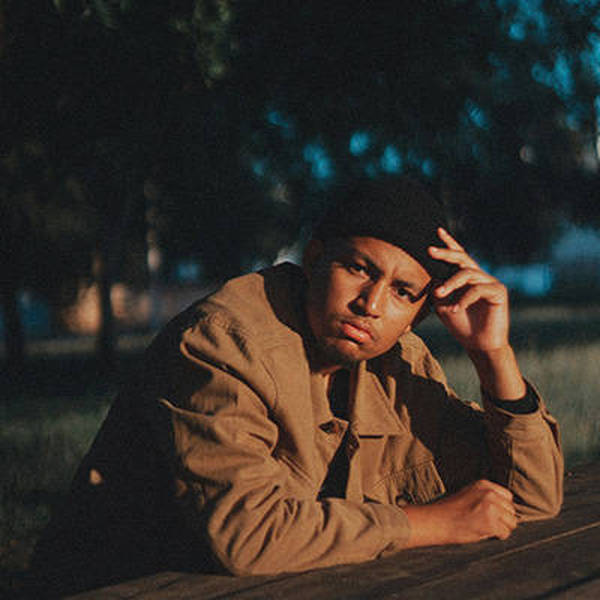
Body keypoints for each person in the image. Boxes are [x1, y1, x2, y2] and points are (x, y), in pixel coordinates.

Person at [31, 177, 563, 595]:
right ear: (314, 259)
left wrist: (492, 356)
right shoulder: (222, 345)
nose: (372, 304)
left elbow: (531, 499)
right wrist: (428, 524)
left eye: (403, 292)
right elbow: (248, 536)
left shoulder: (399, 363)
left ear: (421, 311)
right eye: (358, 268)